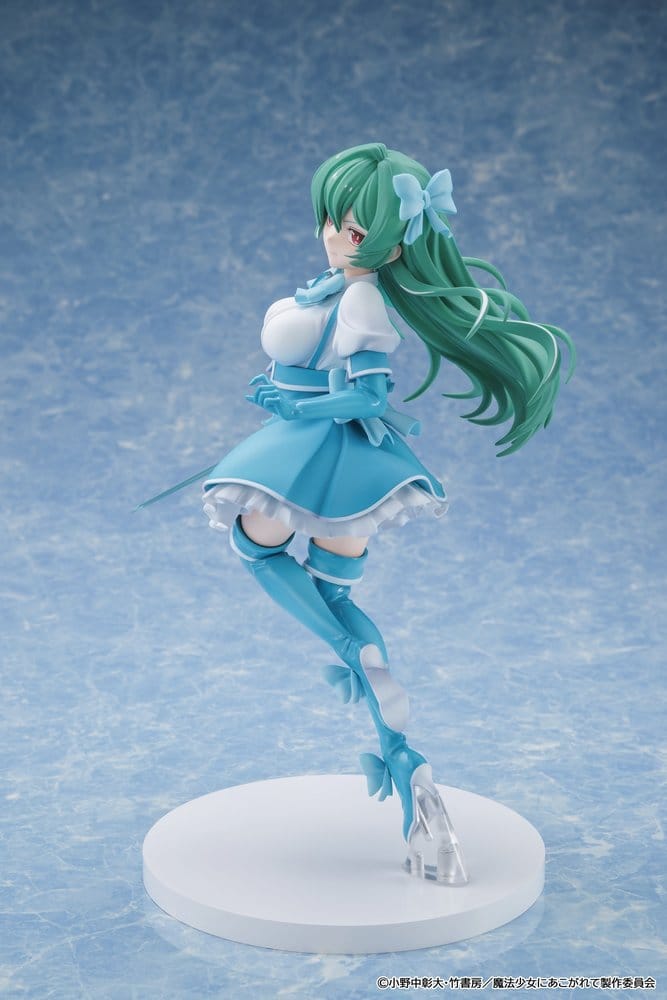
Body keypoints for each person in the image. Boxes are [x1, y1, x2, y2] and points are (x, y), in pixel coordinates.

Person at [147, 142, 574, 883]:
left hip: (313, 452)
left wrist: (294, 405)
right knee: (335, 590)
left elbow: (370, 395)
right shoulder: (335, 287)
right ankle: (402, 753)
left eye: (349, 229)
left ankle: (355, 656)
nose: (331, 235)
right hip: (339, 462)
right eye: (330, 220)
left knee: (259, 547)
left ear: (390, 243)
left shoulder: (362, 300)